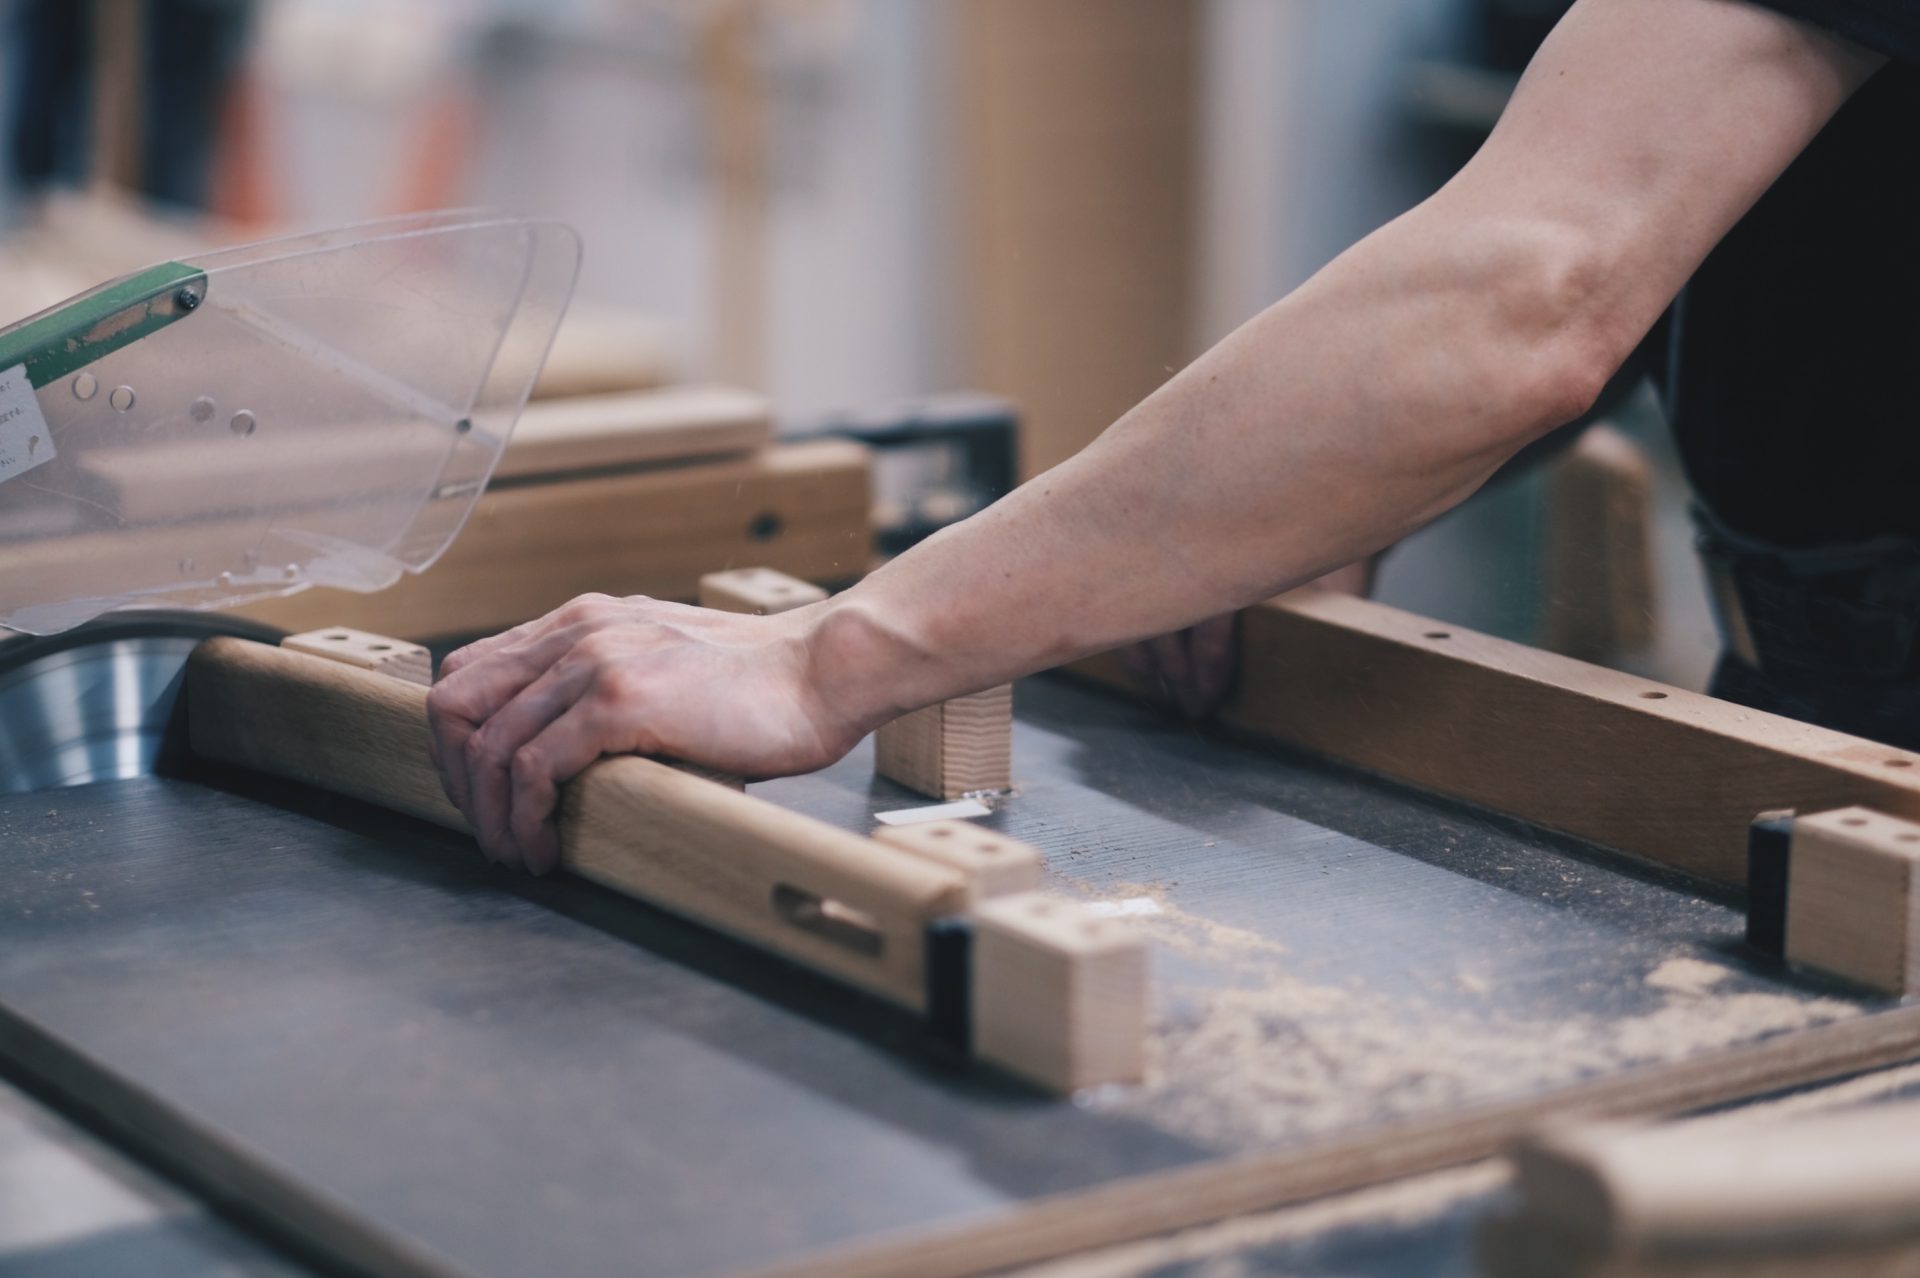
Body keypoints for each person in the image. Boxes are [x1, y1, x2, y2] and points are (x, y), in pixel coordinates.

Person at [428, 0, 1910, 874]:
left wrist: (832, 658)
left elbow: (1534, 293)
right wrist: (1336, 481)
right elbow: (1686, 220)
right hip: (1814, 682)